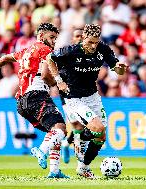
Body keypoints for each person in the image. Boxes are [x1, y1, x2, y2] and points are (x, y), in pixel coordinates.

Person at [0, 23, 69, 179]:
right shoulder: (45, 49)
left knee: (54, 131)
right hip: (36, 95)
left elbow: (6, 57)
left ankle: (54, 171)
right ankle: (41, 150)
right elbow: (48, 69)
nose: (54, 41)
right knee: (60, 128)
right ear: (41, 36)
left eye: (56, 38)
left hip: (22, 102)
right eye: (51, 37)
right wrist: (58, 80)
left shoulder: (26, 51)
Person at [45, 24, 128, 178]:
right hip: (74, 98)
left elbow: (116, 67)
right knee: (96, 128)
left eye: (96, 42)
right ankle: (75, 138)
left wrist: (120, 68)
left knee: (101, 135)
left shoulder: (102, 49)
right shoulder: (71, 51)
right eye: (90, 42)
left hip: (93, 96)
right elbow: (50, 58)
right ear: (83, 38)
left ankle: (83, 167)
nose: (93, 46)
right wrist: (58, 80)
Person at [60, 28, 86, 164]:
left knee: (83, 126)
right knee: (78, 125)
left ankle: (66, 143)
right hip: (68, 94)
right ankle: (79, 158)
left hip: (84, 94)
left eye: (82, 36)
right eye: (77, 36)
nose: (80, 38)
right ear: (73, 39)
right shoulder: (67, 54)